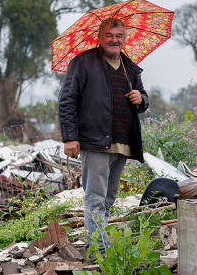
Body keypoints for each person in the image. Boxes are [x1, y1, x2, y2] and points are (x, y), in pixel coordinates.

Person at [57, 17, 149, 257]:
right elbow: (67, 100)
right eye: (109, 35)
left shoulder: (130, 68)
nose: (114, 40)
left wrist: (142, 99)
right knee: (95, 198)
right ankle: (96, 250)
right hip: (94, 142)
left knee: (109, 198)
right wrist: (70, 137)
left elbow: (143, 99)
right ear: (100, 37)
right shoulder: (84, 63)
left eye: (119, 36)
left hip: (123, 143)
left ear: (125, 38)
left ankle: (101, 244)